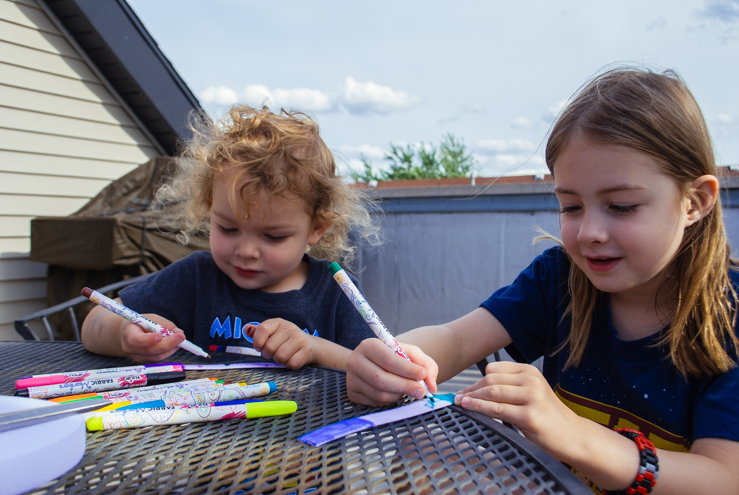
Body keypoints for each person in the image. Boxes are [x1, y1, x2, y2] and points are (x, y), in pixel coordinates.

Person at [345, 67, 739, 494]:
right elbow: (455, 340)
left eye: (622, 206)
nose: (589, 232)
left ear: (695, 202)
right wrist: (396, 360)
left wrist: (575, 435)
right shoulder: (561, 277)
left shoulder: (730, 316)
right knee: (418, 444)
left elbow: (723, 479)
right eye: (571, 206)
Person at [81, 105, 380, 370]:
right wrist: (124, 334)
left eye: (273, 236)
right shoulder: (195, 278)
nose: (246, 251)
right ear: (210, 207)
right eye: (228, 228)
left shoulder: (335, 291)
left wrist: (316, 349)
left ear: (316, 229)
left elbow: (374, 365)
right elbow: (93, 323)